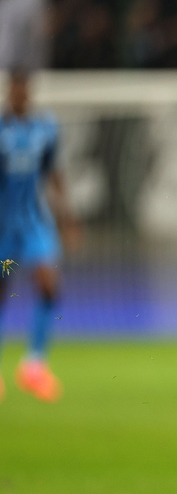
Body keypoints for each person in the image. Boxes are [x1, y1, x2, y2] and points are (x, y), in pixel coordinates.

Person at [0, 71, 78, 403]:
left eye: (24, 90)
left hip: (34, 222)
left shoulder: (44, 127)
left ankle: (34, 366)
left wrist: (67, 216)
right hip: (2, 224)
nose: (20, 95)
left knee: (48, 283)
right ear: (9, 91)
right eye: (15, 89)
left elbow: (53, 172)